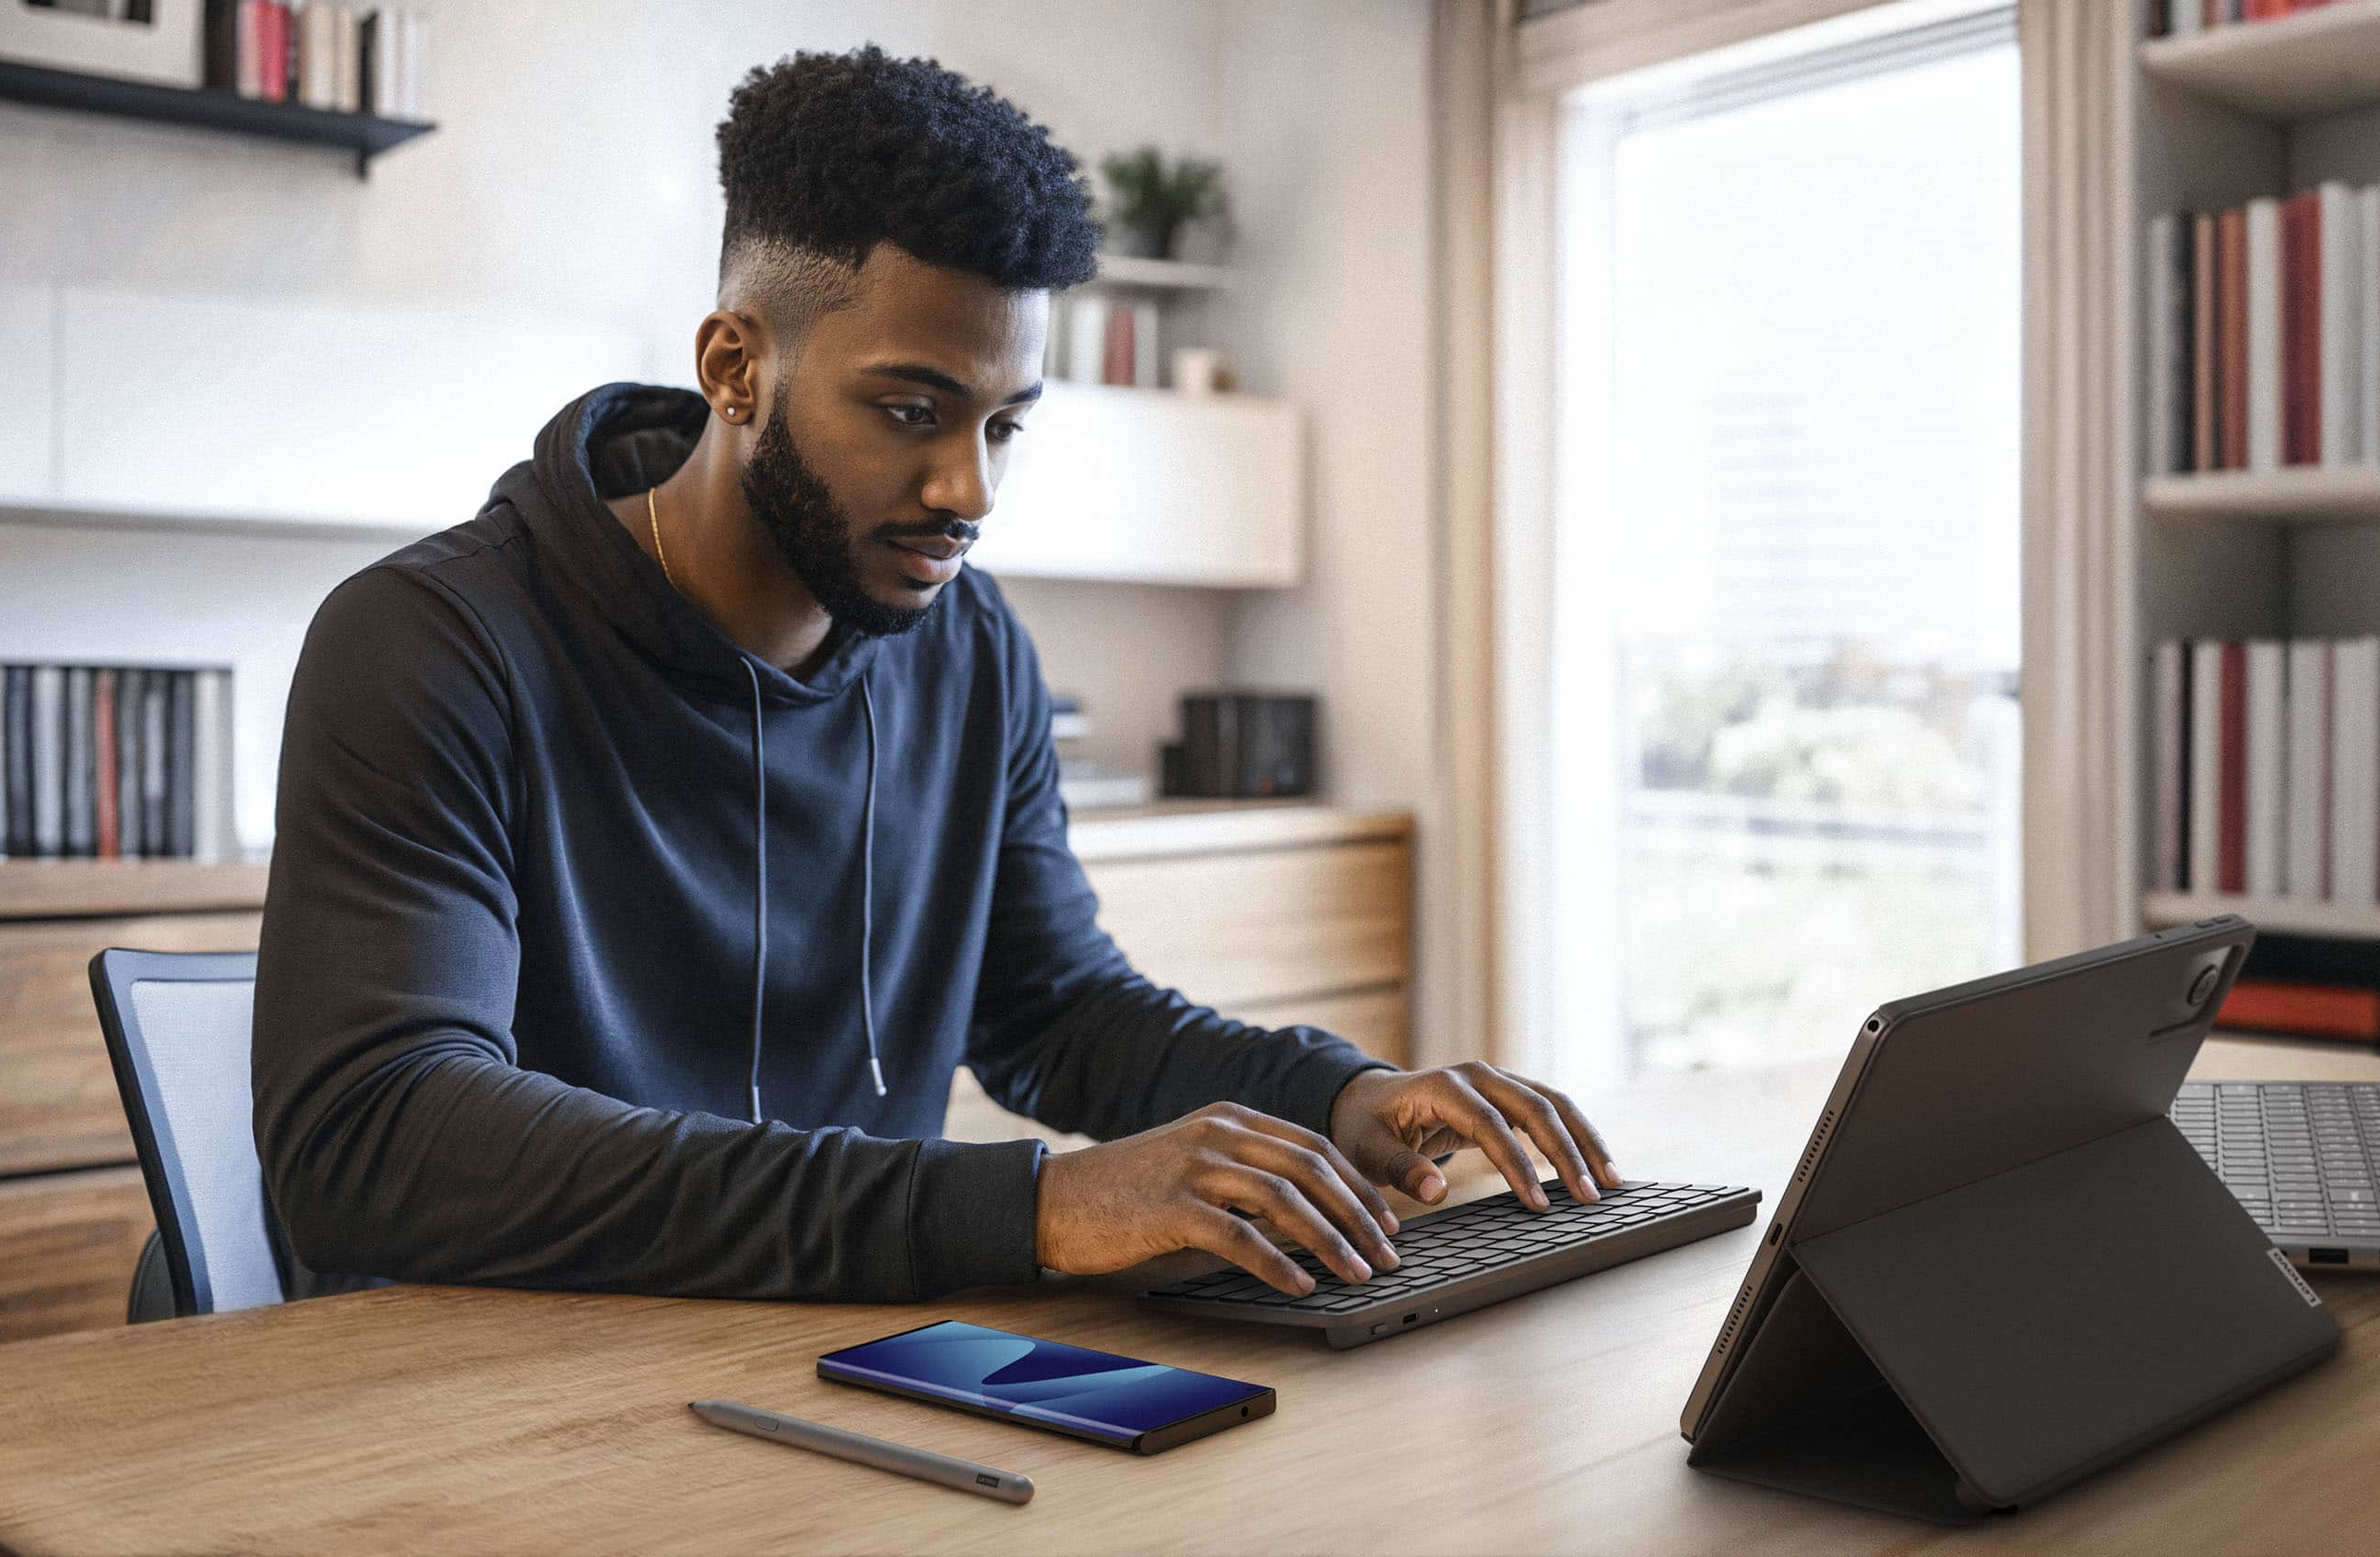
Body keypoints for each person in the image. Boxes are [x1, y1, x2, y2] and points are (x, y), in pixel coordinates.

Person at [252, 45, 1617, 1305]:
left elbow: (1052, 1011)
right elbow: (380, 1137)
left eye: (1005, 424)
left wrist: (1340, 1097)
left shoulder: (970, 649)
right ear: (736, 366)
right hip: (486, 1388)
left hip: (831, 1360)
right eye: (910, 411)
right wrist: (1026, 1209)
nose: (967, 489)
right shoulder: (432, 643)